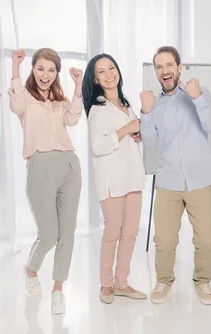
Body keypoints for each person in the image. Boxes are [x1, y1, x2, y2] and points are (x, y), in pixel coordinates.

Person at [139, 46, 211, 305]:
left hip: (201, 179)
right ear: (156, 72)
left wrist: (197, 98)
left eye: (169, 65)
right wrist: (146, 113)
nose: (165, 71)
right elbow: (149, 142)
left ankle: (203, 282)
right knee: (163, 239)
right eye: (159, 67)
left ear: (179, 67)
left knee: (206, 237)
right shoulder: (154, 104)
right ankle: (163, 281)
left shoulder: (199, 93)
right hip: (168, 180)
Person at [8, 48, 84, 315]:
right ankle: (31, 270)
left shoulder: (60, 100)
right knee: (49, 234)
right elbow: (15, 105)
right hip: (40, 166)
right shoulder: (25, 98)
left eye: (51, 70)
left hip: (69, 165)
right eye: (41, 69)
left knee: (68, 234)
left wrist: (77, 87)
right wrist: (14, 68)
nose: (46, 75)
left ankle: (58, 290)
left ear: (56, 73)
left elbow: (73, 119)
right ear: (33, 69)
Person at [82, 53, 147, 304]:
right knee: (112, 232)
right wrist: (127, 129)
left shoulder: (125, 103)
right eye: (102, 71)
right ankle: (106, 285)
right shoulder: (98, 109)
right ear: (96, 80)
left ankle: (122, 283)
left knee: (130, 232)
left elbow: (127, 137)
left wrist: (136, 135)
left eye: (112, 68)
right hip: (112, 180)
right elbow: (98, 146)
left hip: (132, 177)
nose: (109, 74)